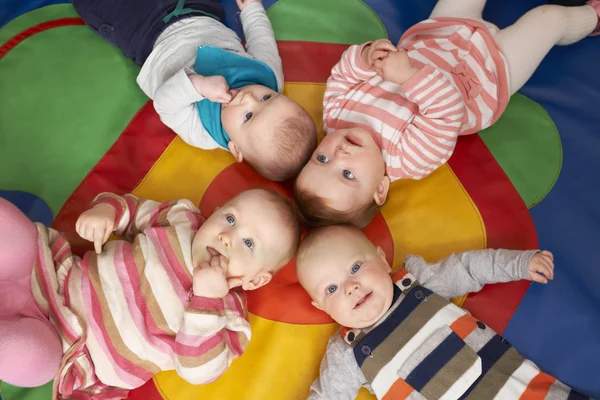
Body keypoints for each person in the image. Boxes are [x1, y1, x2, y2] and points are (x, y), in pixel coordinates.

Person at [295, 0, 600, 226]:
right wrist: (408, 77)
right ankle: (590, 18)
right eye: (347, 174)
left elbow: (342, 75)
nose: (339, 154)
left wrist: (364, 57)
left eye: (321, 159)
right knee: (548, 18)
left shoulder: (335, 117)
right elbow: (446, 112)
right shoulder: (408, 159)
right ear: (380, 189)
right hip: (487, 75)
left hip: (439, 33)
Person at [0, 188, 300, 398]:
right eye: (231, 219)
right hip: (52, 275)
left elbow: (198, 371)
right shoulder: (183, 220)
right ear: (215, 213)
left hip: (67, 348)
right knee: (13, 231)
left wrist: (206, 300)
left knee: (31, 360)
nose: (227, 237)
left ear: (256, 280)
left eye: (249, 244)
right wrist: (106, 212)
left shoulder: (229, 318)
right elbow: (132, 209)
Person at [296, 224, 590, 399]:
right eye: (331, 289)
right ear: (321, 308)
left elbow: (468, 267)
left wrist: (518, 264)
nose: (350, 287)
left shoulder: (419, 281)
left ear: (383, 261)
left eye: (355, 268)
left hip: (518, 389)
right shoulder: (346, 354)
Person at [72, 0, 317, 181]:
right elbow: (262, 40)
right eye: (267, 98)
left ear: (235, 148)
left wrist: (197, 86)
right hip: (199, 10)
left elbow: (165, 103)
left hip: (145, 34)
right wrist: (252, 9)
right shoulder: (268, 76)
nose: (248, 98)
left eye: (248, 116)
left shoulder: (202, 132)